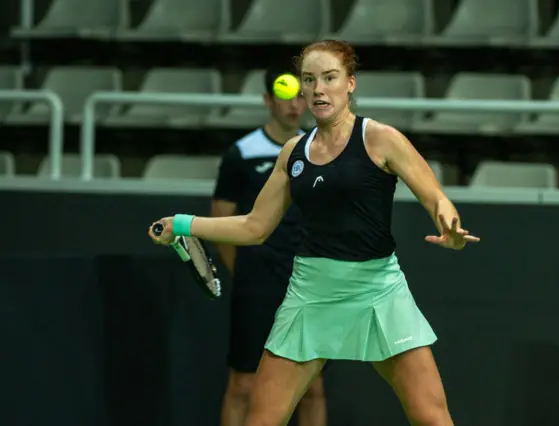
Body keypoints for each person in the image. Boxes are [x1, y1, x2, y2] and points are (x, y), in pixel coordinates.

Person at [150, 39, 480, 426]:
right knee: (262, 420)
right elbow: (254, 226)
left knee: (432, 418)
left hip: (379, 292)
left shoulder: (380, 138)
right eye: (310, 80)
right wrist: (184, 225)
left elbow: (435, 198)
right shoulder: (293, 152)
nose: (318, 89)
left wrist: (449, 224)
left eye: (329, 78)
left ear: (350, 83)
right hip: (311, 295)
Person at [210, 65, 327, 426]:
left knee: (312, 388)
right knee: (243, 385)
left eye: (299, 96)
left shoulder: (320, 149)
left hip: (306, 286)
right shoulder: (241, 154)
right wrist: (248, 271)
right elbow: (221, 222)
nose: (293, 105)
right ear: (267, 100)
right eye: (284, 95)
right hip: (256, 285)